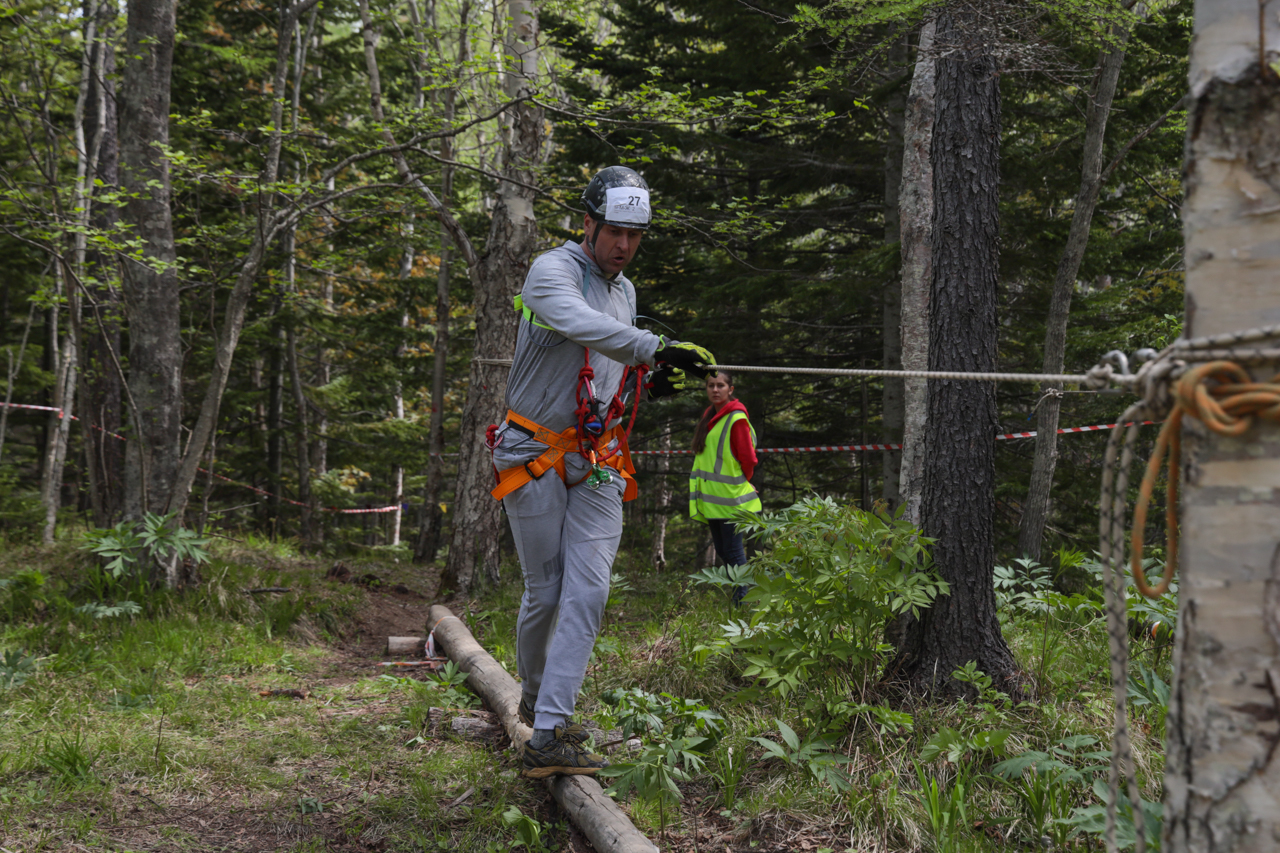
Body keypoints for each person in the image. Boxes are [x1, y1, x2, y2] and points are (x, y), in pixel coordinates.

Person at [488, 166, 715, 779]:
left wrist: (647, 378)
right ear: (588, 224)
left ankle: (549, 731)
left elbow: (609, 363)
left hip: (597, 458)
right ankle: (534, 695)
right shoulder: (551, 272)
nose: (623, 245)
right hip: (532, 451)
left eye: (634, 235)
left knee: (589, 590)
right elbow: (575, 321)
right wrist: (651, 346)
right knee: (547, 590)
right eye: (615, 231)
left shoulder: (625, 292)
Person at [688, 370, 761, 603]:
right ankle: (739, 598)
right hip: (713, 499)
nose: (715, 390)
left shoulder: (736, 418)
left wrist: (745, 482)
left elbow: (748, 458)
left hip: (731, 498)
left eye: (720, 385)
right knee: (723, 550)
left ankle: (744, 601)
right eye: (711, 385)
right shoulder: (710, 416)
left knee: (733, 551)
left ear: (731, 389)